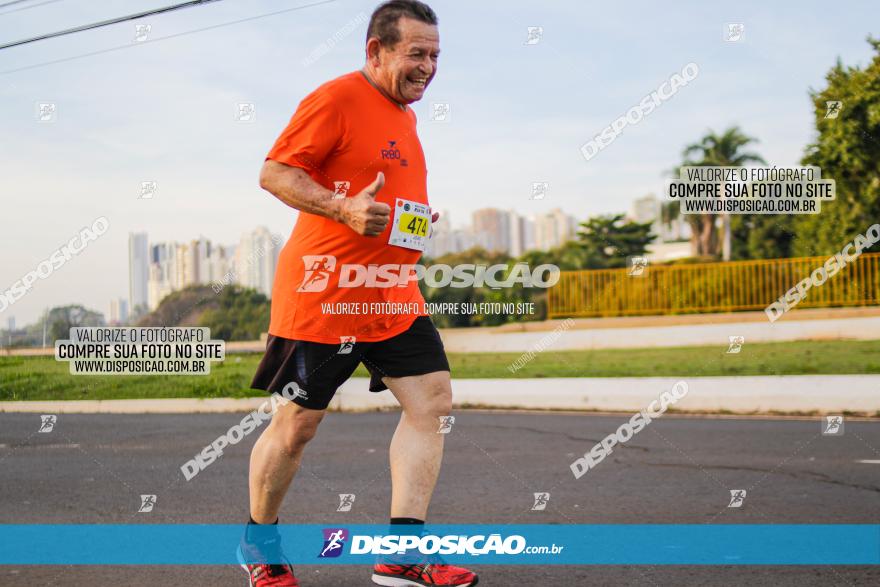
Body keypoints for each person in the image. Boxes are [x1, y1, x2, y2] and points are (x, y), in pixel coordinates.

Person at [238, 2, 478, 585]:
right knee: (297, 426)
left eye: (436, 55)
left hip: (392, 293)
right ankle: (260, 544)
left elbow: (381, 203)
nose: (428, 66)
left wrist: (412, 223)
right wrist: (342, 205)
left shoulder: (405, 118)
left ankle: (402, 553)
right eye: (416, 53)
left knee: (433, 405)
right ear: (375, 50)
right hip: (326, 295)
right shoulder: (337, 97)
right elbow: (275, 172)